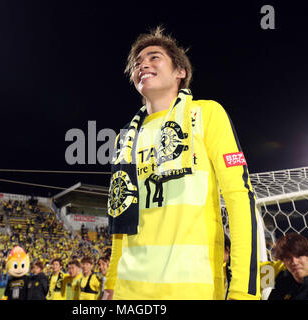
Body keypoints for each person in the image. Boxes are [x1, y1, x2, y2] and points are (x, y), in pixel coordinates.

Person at [104, 26, 260, 300]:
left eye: (154, 57)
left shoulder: (207, 113)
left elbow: (238, 196)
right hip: (128, 292)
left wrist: (243, 291)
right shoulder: (124, 138)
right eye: (137, 63)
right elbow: (122, 219)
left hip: (191, 289)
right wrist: (110, 284)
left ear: (180, 72)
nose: (143, 65)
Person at [267, 233, 308, 300]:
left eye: (299, 256)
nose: (294, 262)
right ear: (283, 262)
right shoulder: (282, 284)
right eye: (288, 258)